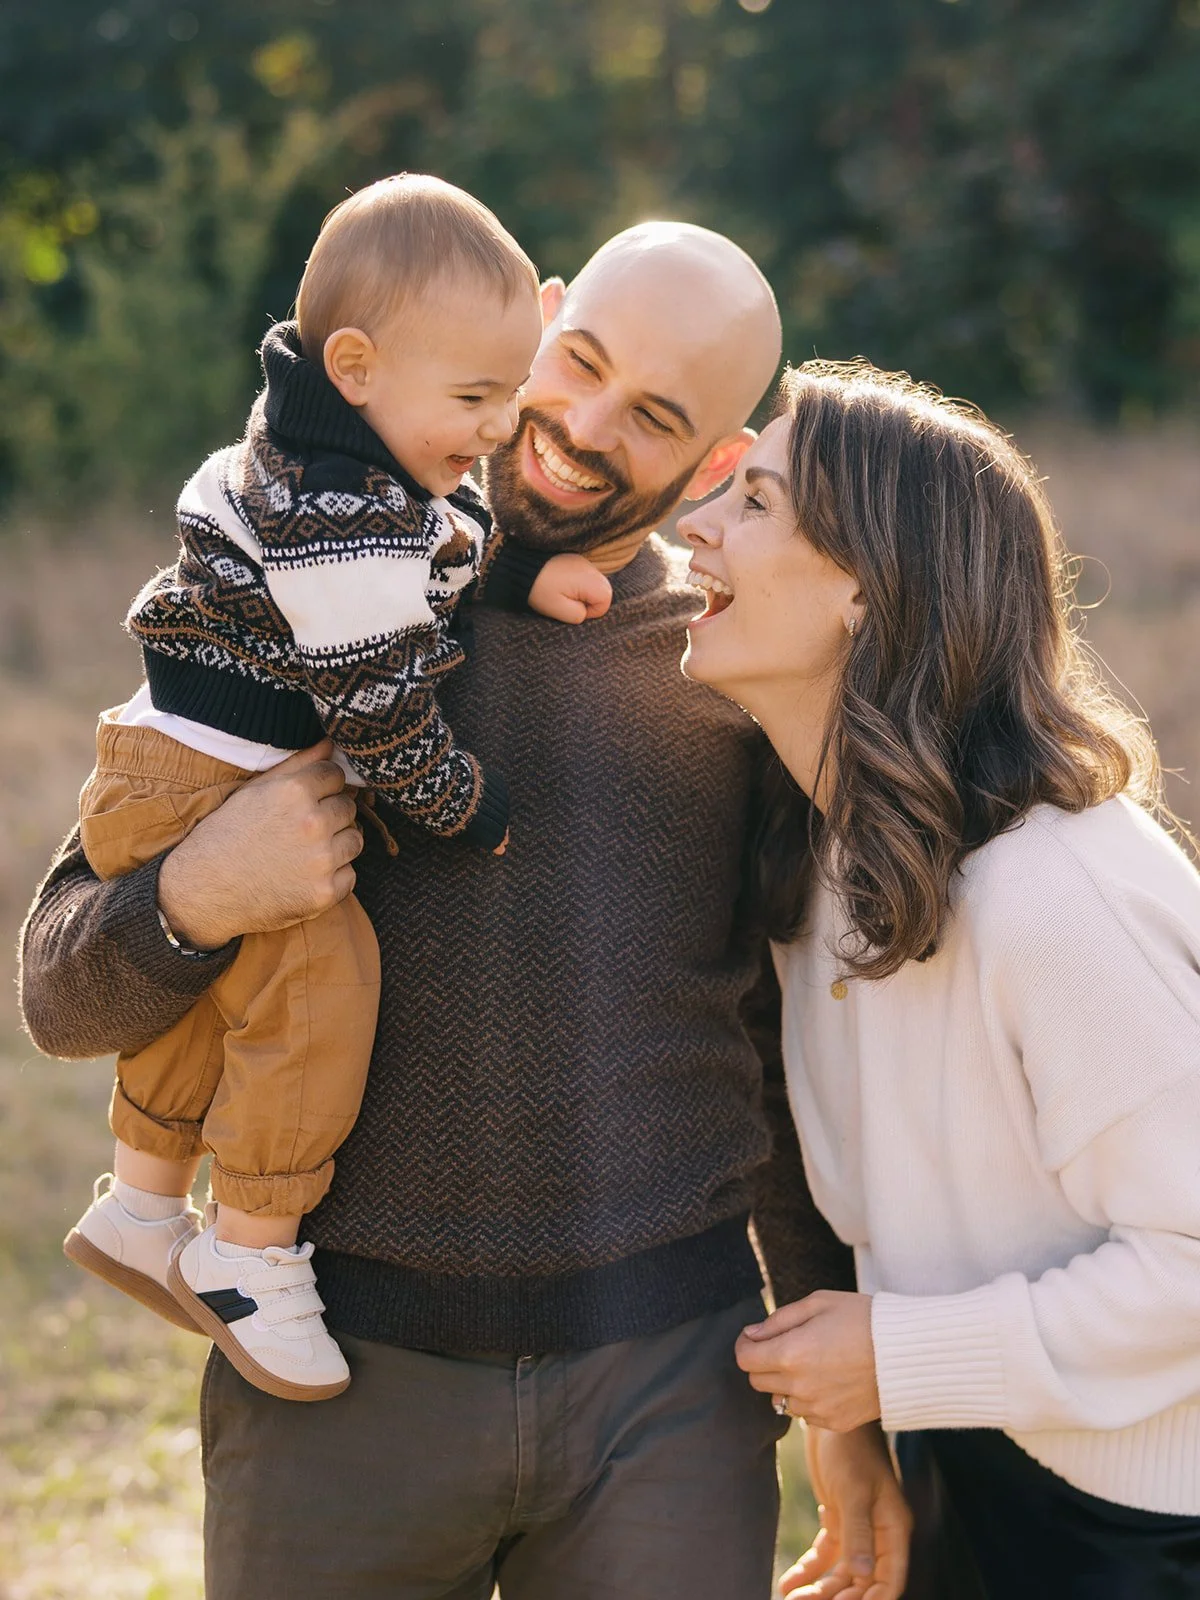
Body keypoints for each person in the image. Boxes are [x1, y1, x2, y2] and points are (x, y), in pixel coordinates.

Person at [19, 227, 910, 1598]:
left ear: (719, 462)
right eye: (583, 362)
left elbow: (783, 1049)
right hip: (332, 1377)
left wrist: (847, 1413)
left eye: (657, 416)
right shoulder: (307, 593)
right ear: (539, 318)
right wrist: (204, 887)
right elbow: (63, 997)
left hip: (663, 1388)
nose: (584, 427)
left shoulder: (733, 677)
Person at [62, 173, 611, 1404]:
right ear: (355, 365)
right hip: (213, 779)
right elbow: (377, 706)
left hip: (167, 758)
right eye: (474, 398)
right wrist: (465, 803)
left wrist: (514, 579)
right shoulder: (339, 507)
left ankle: (142, 1205)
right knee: (318, 992)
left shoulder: (331, 458)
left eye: (511, 395)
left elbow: (428, 549)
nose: (497, 430)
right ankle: (249, 1250)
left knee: (214, 1003)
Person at [679, 360, 1200, 1597]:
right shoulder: (818, 856)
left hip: (1148, 1524)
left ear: (866, 585)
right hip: (975, 1470)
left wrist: (903, 1359)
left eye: (752, 503)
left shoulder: (1055, 889)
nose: (692, 526)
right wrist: (868, 1416)